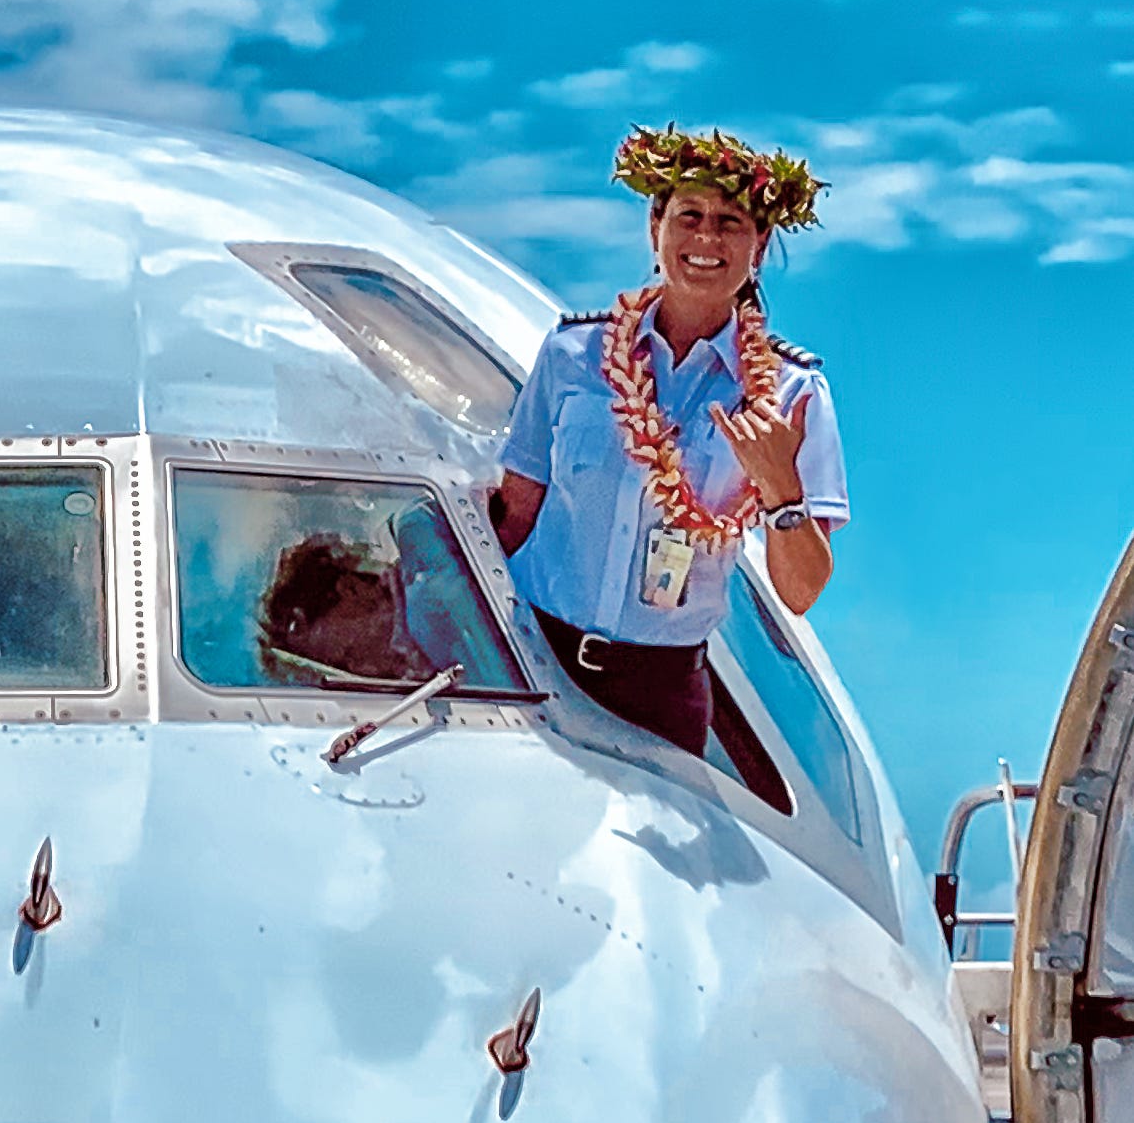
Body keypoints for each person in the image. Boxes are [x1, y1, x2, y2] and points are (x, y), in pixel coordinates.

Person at [492, 123, 846, 759]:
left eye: (731, 221)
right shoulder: (574, 352)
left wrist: (779, 487)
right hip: (531, 657)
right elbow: (516, 512)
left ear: (759, 245)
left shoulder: (792, 395)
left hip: (661, 692)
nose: (706, 238)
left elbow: (802, 591)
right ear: (655, 229)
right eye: (689, 215)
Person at [257, 535, 435, 687]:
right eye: (345, 667)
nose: (361, 668)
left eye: (349, 653)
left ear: (350, 589)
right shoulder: (417, 674)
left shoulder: (434, 594)